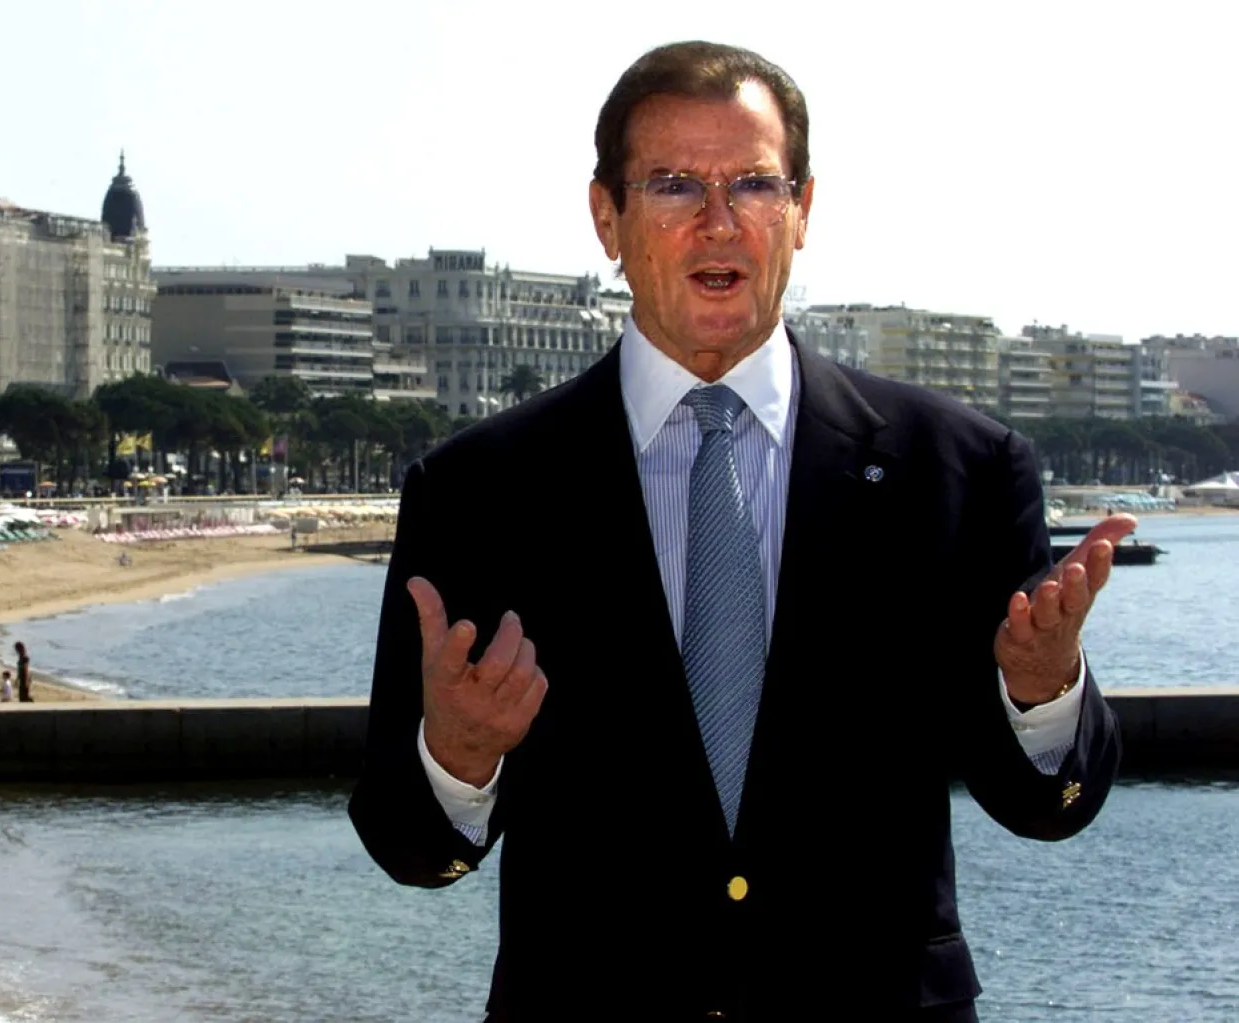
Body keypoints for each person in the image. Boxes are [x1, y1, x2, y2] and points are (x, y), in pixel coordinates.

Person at [349, 41, 1131, 1021]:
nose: (718, 223)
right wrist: (459, 756)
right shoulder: (480, 491)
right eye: (674, 185)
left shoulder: (959, 472)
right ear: (608, 218)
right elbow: (411, 848)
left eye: (754, 185)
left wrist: (1042, 691)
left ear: (803, 213)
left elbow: (1050, 807)